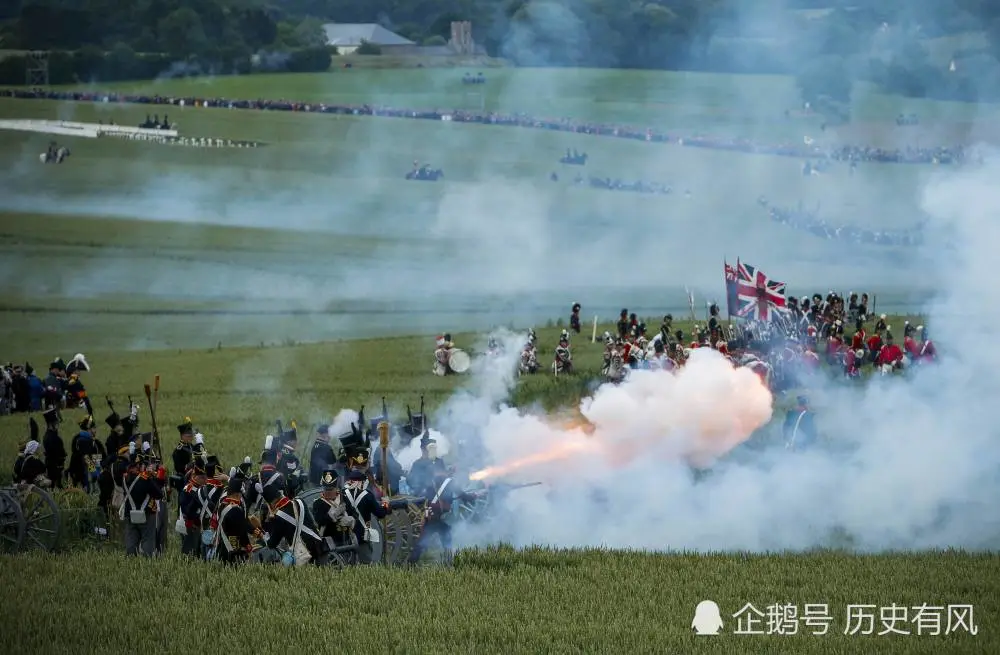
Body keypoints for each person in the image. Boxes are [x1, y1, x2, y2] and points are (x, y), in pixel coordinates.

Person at [260, 484, 326, 565]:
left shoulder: (278, 517)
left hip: (304, 552)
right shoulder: (300, 501)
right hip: (318, 543)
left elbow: (272, 544)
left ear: (271, 503)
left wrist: (265, 536)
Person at [342, 469, 389, 564]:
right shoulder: (368, 495)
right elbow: (381, 514)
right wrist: (385, 503)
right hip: (362, 534)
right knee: (366, 564)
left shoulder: (342, 494)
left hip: (344, 534)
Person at [121, 450, 163, 557]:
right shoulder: (145, 479)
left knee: (131, 540)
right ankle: (146, 561)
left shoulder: (125, 478)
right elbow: (159, 494)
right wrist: (152, 478)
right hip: (146, 513)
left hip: (130, 513)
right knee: (148, 540)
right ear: (138, 465)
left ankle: (131, 561)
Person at [311, 469, 357, 563]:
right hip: (329, 543)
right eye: (326, 489)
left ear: (336, 487)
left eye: (330, 489)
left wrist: (351, 519)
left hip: (346, 541)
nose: (328, 492)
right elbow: (319, 520)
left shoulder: (343, 498)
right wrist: (332, 516)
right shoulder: (318, 503)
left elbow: (354, 513)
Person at [214, 475, 257, 565]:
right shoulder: (236, 509)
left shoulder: (222, 504)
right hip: (233, 546)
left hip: (222, 543)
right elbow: (242, 530)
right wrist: (248, 545)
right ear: (237, 494)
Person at [41, 407, 65, 489]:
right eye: (56, 423)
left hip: (52, 465)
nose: (57, 424)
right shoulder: (54, 438)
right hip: (55, 467)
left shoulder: (48, 436)